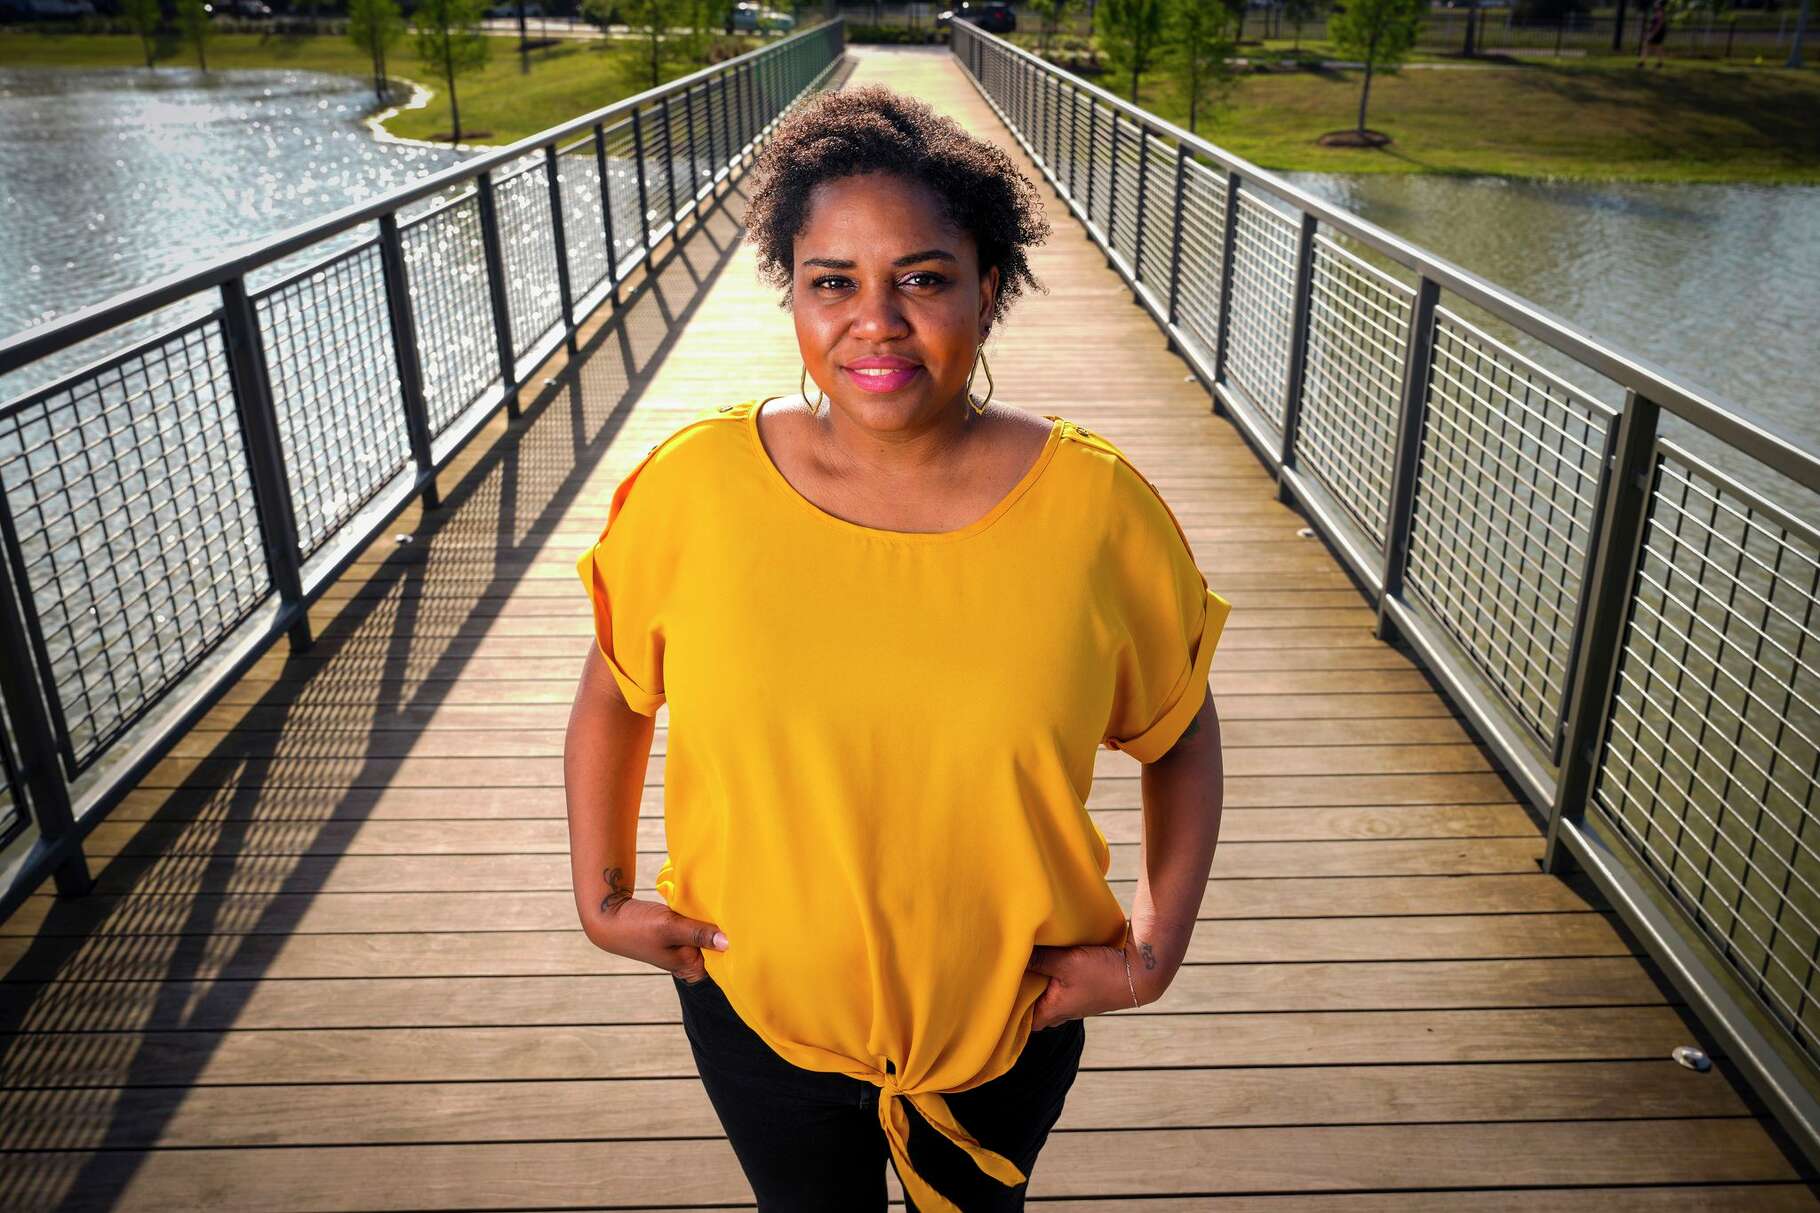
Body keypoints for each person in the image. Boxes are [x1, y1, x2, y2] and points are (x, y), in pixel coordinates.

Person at [563, 83, 1231, 1213]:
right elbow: (614, 693)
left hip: (1010, 1024)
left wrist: (1153, 950)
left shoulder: (1096, 511)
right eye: (832, 282)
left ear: (989, 286)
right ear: (791, 291)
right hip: (755, 1012)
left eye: (921, 278)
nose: (874, 321)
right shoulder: (693, 489)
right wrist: (601, 895)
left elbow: (1181, 732)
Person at [1638, 0, 1669, 67]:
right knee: (1655, 47)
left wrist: (1653, 33)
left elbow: (1659, 25)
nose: (1655, 3)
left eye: (1657, 3)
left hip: (1657, 32)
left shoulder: (1660, 12)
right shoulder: (1657, 12)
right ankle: (1658, 62)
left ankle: (1642, 62)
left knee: (1649, 46)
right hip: (1656, 32)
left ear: (1660, 5)